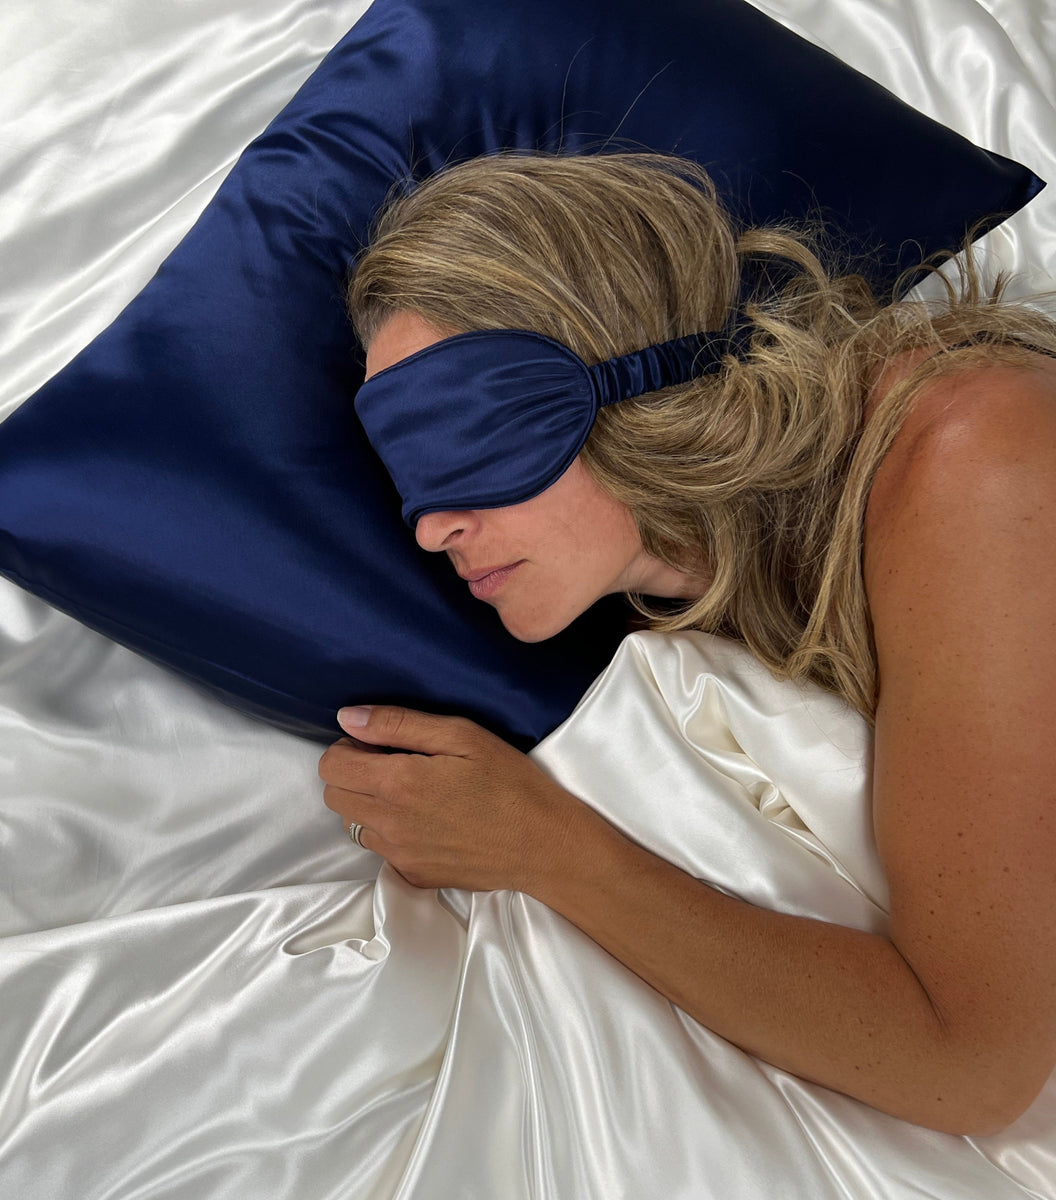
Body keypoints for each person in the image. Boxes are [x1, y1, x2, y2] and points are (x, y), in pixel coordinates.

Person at [317, 152, 1056, 1136]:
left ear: (623, 369)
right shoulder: (695, 611)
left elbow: (975, 1069)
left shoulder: (968, 452)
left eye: (465, 440)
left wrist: (542, 847)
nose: (429, 525)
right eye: (404, 474)